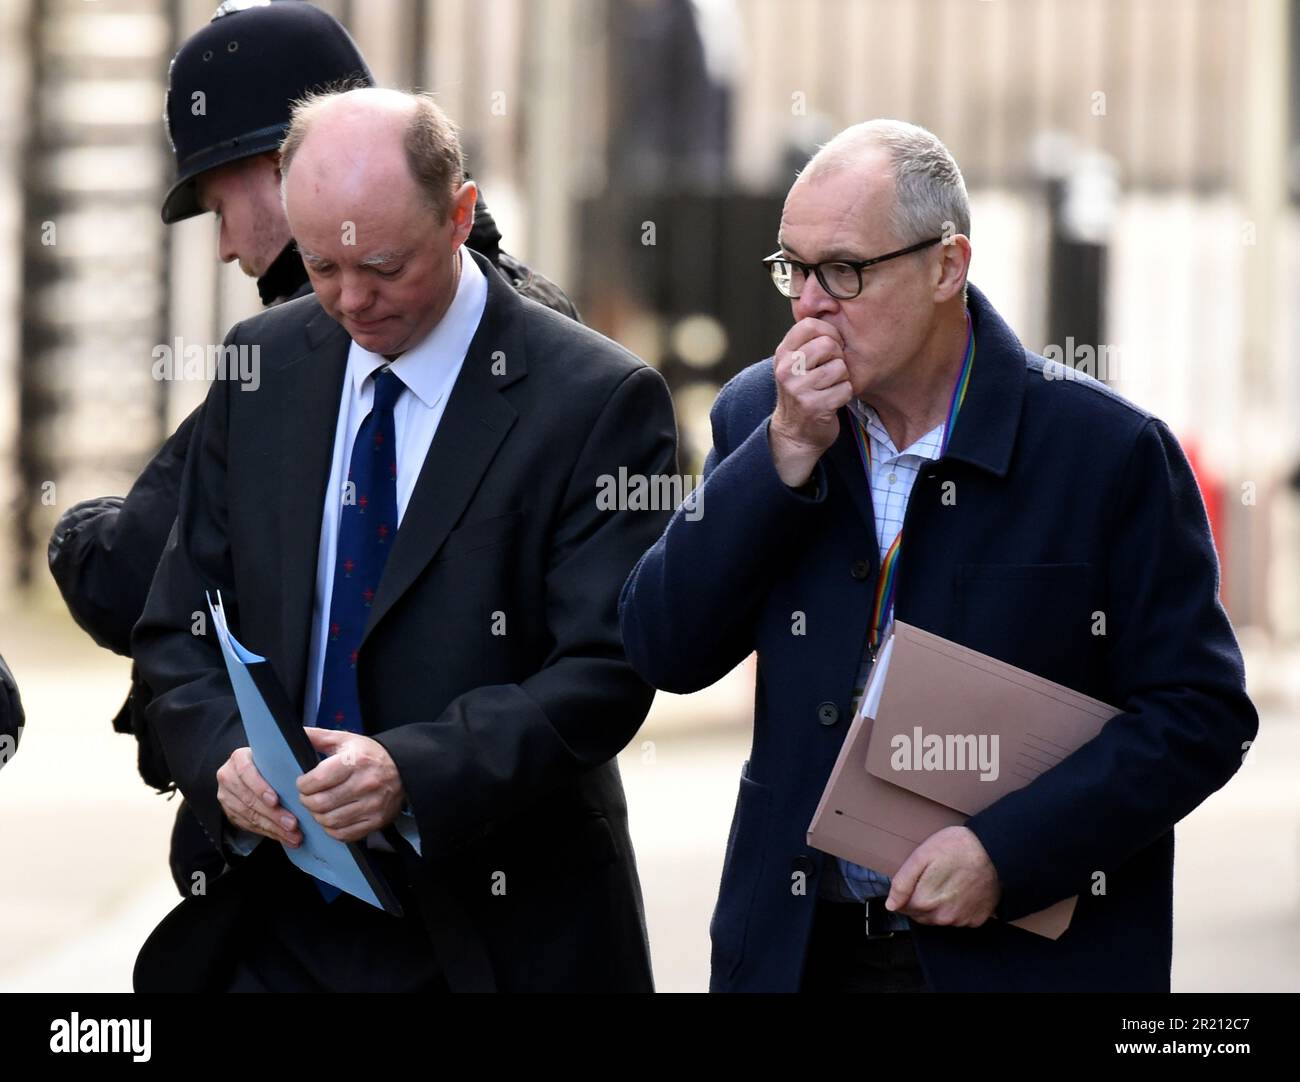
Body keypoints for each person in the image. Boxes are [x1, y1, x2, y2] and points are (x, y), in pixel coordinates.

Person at [618, 119, 1258, 992]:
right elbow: (666, 649)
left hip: (1019, 961)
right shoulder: (759, 418)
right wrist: (779, 460)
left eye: (844, 271)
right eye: (793, 270)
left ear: (947, 267)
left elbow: (1200, 714)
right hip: (800, 949)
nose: (810, 302)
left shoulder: (1106, 452)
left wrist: (1010, 851)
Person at [131, 87, 677, 992]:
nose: (351, 300)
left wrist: (412, 773)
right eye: (320, 267)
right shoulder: (260, 368)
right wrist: (225, 759)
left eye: (385, 267)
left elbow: (607, 670)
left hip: (496, 931)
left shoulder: (595, 399)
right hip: (272, 926)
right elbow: (176, 631)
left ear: (461, 214)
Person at [46, 0, 577, 898]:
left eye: (220, 203)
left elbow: (124, 574)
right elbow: (179, 617)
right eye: (331, 275)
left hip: (473, 904)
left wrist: (75, 529)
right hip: (295, 891)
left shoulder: (524, 360)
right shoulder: (289, 356)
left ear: (282, 165)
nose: (223, 247)